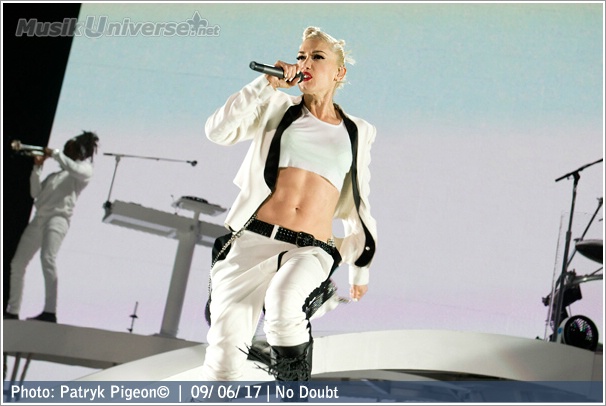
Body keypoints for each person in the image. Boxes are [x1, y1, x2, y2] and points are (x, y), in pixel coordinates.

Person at [201, 26, 377, 383]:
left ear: (339, 72)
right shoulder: (277, 107)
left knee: (284, 306)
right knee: (223, 362)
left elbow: (359, 201)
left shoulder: (357, 131)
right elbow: (217, 131)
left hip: (311, 248)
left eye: (317, 56)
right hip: (252, 241)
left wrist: (360, 268)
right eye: (301, 56)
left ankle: (293, 390)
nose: (305, 62)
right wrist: (265, 84)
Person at [4, 131, 99, 323]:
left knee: (47, 258)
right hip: (39, 219)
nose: (65, 150)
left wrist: (55, 153)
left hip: (58, 218)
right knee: (17, 263)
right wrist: (37, 168)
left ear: (79, 151)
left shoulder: (84, 170)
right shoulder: (55, 176)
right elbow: (35, 193)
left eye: (69, 148)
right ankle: (12, 311)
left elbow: (74, 168)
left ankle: (49, 312)